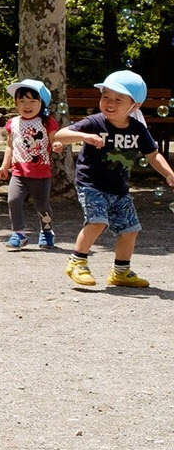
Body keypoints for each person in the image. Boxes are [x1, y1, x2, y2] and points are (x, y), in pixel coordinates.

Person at [52, 70, 174, 288]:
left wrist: (168, 173)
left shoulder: (138, 129)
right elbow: (60, 135)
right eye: (106, 96)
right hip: (91, 184)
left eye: (118, 99)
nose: (109, 103)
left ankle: (120, 272)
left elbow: (153, 155)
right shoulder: (94, 123)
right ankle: (77, 261)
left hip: (118, 188)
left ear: (134, 106)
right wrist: (84, 136)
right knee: (98, 221)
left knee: (131, 229)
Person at [0, 79, 63, 249]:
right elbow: (10, 146)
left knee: (42, 205)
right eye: (22, 101)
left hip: (40, 173)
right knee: (13, 200)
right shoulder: (12, 123)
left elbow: (55, 140)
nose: (27, 105)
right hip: (19, 172)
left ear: (42, 103)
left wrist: (57, 145)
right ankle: (19, 233)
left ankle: (47, 232)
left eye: (33, 101)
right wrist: (4, 166)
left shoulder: (47, 122)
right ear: (16, 103)